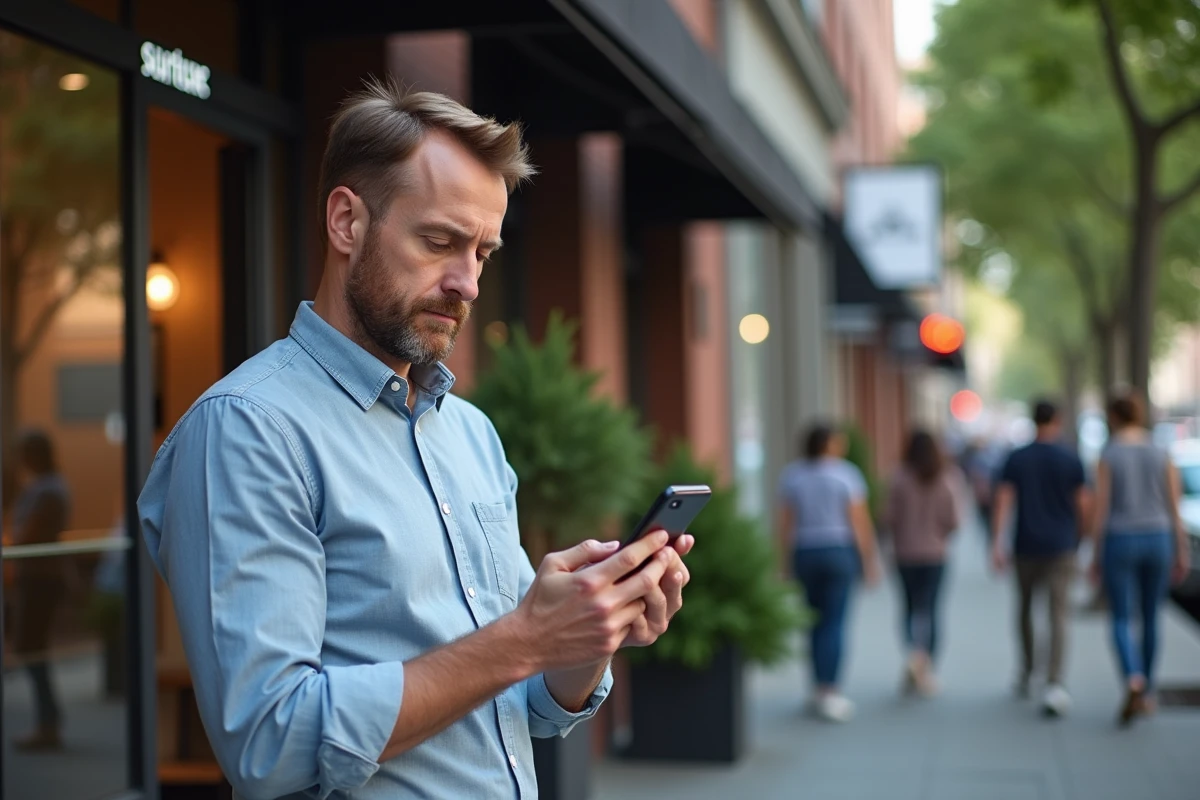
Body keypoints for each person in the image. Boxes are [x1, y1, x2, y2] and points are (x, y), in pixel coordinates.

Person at [138, 80, 693, 800]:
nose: (466, 282)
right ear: (346, 223)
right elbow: (268, 741)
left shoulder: (469, 432)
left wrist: (583, 637)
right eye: (440, 241)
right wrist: (523, 638)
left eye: (485, 253)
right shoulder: (247, 430)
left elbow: (525, 707)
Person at [1090, 391, 1191, 726]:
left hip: (1120, 539)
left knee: (1121, 617)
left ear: (1113, 417)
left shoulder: (1110, 453)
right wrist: (1181, 548)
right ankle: (1146, 691)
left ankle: (1132, 676)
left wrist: (1094, 552)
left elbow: (1101, 507)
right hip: (1158, 537)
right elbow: (1174, 506)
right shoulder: (1161, 451)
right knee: (1151, 617)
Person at [991, 400, 1090, 717]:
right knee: (1058, 614)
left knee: (1024, 609)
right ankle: (1055, 683)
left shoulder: (1017, 457)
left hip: (1026, 545)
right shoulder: (1070, 457)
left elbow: (1004, 501)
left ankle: (1026, 671)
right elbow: (1083, 504)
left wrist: (996, 542)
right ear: (1058, 420)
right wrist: (1084, 540)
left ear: (1034, 421)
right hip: (1062, 547)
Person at [777, 423, 881, 722]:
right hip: (838, 551)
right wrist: (869, 561)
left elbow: (785, 523)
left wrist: (783, 563)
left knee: (812, 621)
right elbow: (859, 522)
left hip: (806, 551)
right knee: (834, 622)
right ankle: (830, 689)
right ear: (830, 444)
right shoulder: (846, 474)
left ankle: (817, 687)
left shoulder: (793, 475)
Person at [884, 429, 961, 697]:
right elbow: (954, 522)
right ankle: (924, 664)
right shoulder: (947, 478)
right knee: (930, 609)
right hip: (935, 554)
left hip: (904, 554)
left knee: (908, 608)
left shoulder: (899, 478)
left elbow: (888, 517)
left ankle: (913, 656)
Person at [9, 428, 71, 751]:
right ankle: (48, 722)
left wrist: (15, 542)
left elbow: (28, 535)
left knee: (32, 649)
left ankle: (49, 724)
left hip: (39, 579)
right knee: (32, 650)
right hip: (36, 577)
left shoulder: (48, 491)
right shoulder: (44, 488)